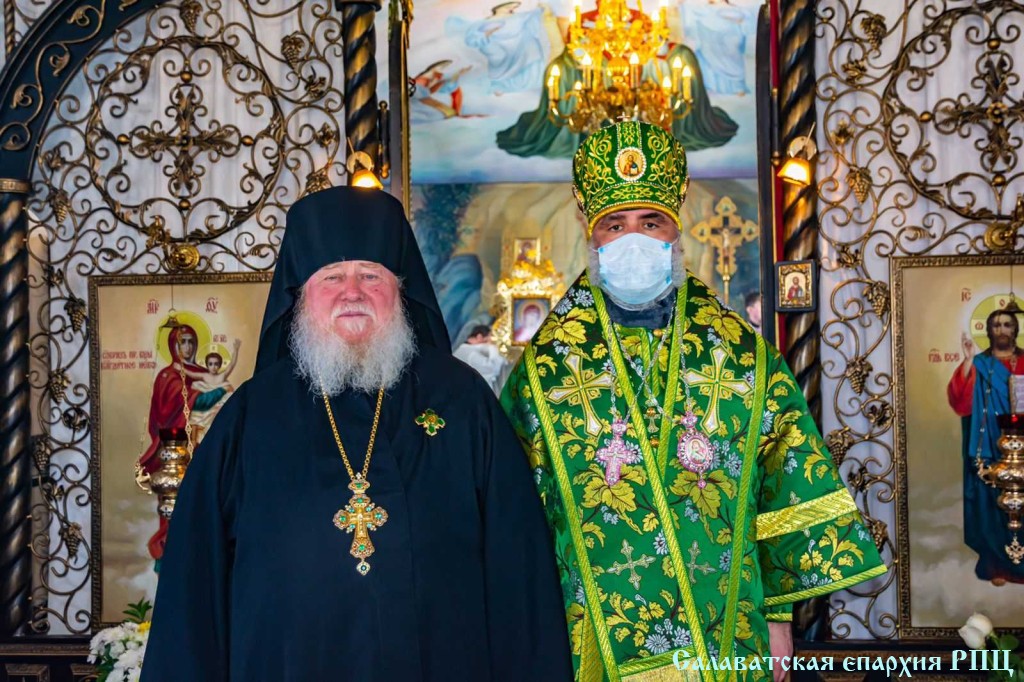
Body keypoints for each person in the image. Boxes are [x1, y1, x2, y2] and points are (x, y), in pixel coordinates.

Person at [500, 121, 886, 680]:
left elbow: (782, 485)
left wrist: (779, 617)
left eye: (650, 222)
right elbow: (516, 516)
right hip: (589, 641)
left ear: (675, 233)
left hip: (725, 629)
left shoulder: (741, 357)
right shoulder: (545, 371)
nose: (633, 239)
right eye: (616, 224)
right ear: (593, 235)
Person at [142, 187, 572, 681]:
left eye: (371, 275)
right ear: (301, 295)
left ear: (400, 291)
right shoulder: (249, 417)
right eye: (331, 277)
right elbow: (194, 593)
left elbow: (520, 574)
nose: (352, 292)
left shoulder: (462, 401)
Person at [138, 323, 229, 563]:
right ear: (172, 346)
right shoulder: (167, 376)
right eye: (182, 342)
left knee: (201, 508)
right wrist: (218, 393)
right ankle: (168, 560)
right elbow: (169, 409)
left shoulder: (201, 372)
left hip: (200, 450)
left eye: (190, 342)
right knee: (173, 511)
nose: (187, 347)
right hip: (173, 454)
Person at [947, 308, 1024, 585]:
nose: (1002, 330)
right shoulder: (979, 363)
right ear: (988, 331)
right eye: (996, 325)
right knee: (989, 503)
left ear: (1015, 330)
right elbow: (960, 401)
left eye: (1007, 325)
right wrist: (968, 360)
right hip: (989, 446)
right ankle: (997, 564)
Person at [453, 324, 509, 394]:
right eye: (488, 341)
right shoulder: (471, 355)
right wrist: (492, 347)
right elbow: (494, 368)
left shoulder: (462, 351)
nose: (489, 344)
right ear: (479, 337)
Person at [178, 339, 242, 392]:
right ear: (207, 365)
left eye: (216, 364)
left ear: (219, 365)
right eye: (210, 364)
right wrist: (181, 369)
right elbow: (192, 374)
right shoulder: (205, 376)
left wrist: (236, 350)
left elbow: (232, 364)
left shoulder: (222, 375)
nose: (213, 367)